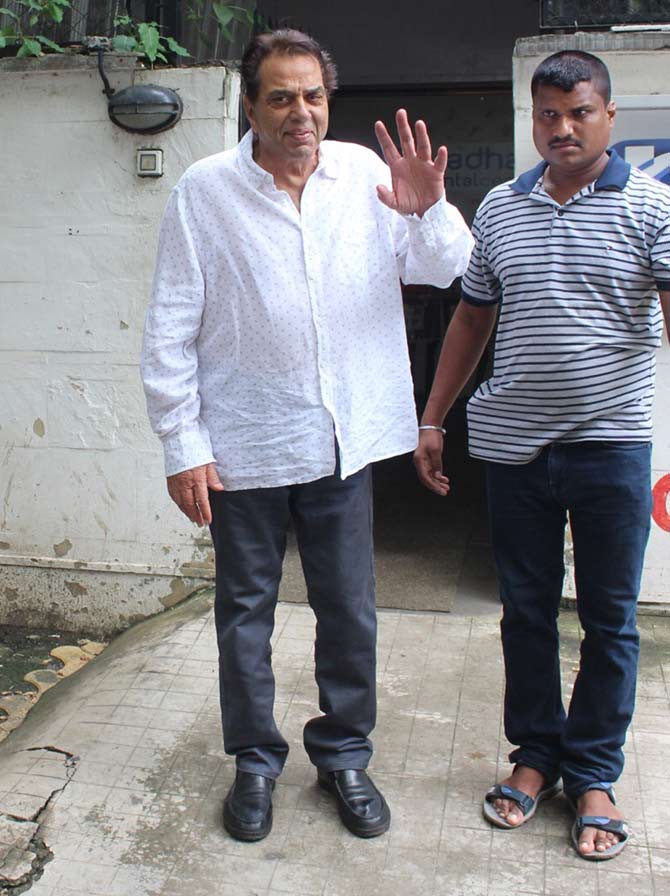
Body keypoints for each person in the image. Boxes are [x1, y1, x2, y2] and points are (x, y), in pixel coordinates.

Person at [141, 28, 472, 842]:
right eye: (281, 96)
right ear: (251, 105)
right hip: (244, 443)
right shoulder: (204, 190)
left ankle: (344, 755)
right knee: (244, 614)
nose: (301, 112)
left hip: (340, 440)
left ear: (330, 101)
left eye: (313, 95)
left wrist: (427, 209)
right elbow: (170, 325)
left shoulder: (365, 175)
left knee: (350, 609)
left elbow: (446, 267)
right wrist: (183, 443)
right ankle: (255, 763)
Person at [414, 49, 670, 861]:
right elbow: (470, 320)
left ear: (609, 116)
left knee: (609, 620)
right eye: (548, 115)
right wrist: (432, 419)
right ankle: (535, 758)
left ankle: (592, 773)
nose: (562, 128)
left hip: (610, 448)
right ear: (533, 119)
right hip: (513, 449)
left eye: (580, 112)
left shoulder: (653, 209)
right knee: (525, 614)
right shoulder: (499, 207)